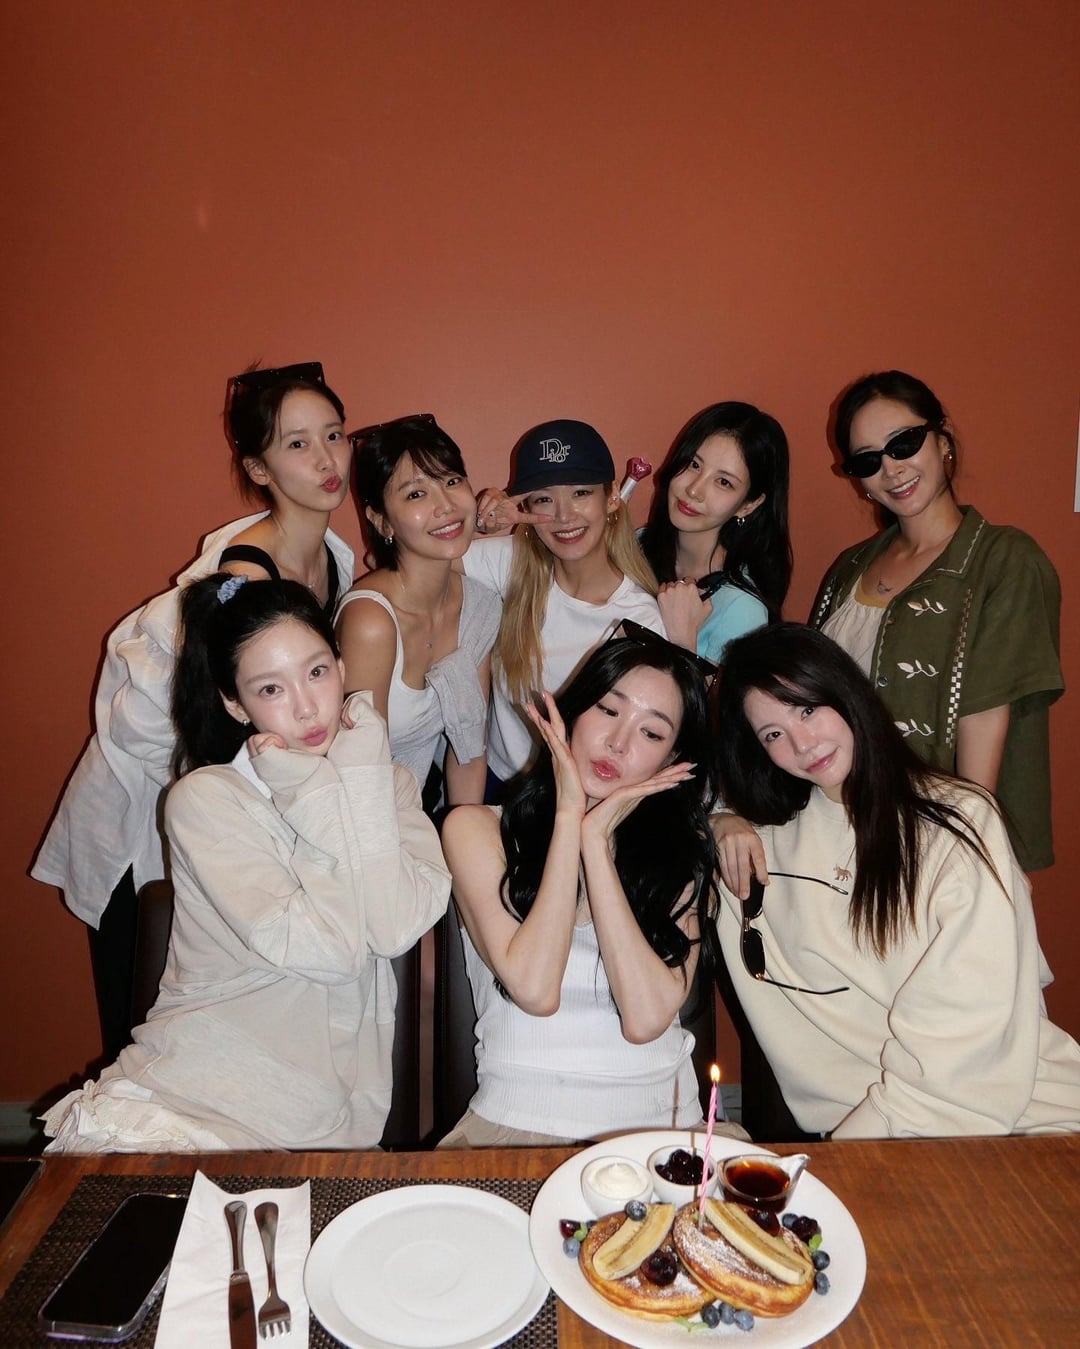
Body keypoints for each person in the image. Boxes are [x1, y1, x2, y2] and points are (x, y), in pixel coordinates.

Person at [43, 576, 450, 1152]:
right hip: (192, 1103)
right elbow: (332, 953)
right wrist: (312, 790)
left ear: (341, 666)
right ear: (235, 703)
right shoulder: (206, 800)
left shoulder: (390, 788)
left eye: (317, 672)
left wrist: (360, 773)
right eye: (270, 689)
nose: (306, 707)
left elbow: (392, 927)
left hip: (322, 1125)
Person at [31, 362, 355, 1059]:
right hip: (147, 813)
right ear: (258, 468)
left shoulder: (334, 556)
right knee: (151, 1031)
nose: (326, 459)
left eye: (334, 435)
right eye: (297, 443)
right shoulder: (242, 577)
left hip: (221, 812)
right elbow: (169, 728)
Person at [708, 623, 1080, 1139]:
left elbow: (968, 1042)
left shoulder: (957, 820)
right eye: (773, 734)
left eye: (807, 709)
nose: (801, 742)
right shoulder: (758, 848)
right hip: (875, 1140)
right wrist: (715, 819)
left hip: (1020, 1120)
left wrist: (846, 1157)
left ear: (844, 691)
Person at [717, 370, 1063, 895]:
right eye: (868, 460)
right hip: (838, 840)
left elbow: (984, 724)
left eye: (904, 444)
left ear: (943, 439)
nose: (891, 469)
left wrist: (960, 851)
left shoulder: (1003, 561)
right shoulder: (850, 567)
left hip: (934, 844)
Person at [438, 631, 734, 1146]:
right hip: (515, 1128)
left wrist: (596, 844)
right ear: (574, 711)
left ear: (670, 762)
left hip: (663, 1137)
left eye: (651, 733)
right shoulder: (477, 829)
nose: (619, 742)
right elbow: (535, 989)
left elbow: (645, 1020)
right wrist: (569, 815)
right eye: (608, 710)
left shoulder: (679, 858)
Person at [464, 418, 664, 795]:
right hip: (494, 781)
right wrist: (476, 522)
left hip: (572, 796)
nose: (563, 515)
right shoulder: (512, 562)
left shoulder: (639, 618)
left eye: (581, 493)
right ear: (524, 508)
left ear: (612, 498)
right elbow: (419, 562)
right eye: (544, 499)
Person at [335, 414, 499, 806]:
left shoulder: (479, 607)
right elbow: (361, 773)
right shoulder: (370, 621)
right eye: (415, 494)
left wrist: (465, 830)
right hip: (360, 811)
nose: (446, 505)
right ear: (381, 521)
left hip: (423, 804)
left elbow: (469, 749)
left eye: (452, 481)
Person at [639, 401, 792, 663]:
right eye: (694, 464)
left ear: (748, 505)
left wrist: (682, 639)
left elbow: (716, 695)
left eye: (723, 482)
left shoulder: (742, 609)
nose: (694, 490)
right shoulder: (637, 545)